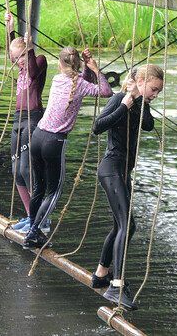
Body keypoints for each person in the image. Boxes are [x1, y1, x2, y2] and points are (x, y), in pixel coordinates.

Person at [23, 47, 113, 249]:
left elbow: (80, 79)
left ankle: (32, 227)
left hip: (37, 135)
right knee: (54, 191)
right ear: (78, 65)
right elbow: (106, 91)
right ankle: (34, 232)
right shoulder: (80, 83)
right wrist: (96, 69)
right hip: (54, 141)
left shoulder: (58, 79)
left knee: (39, 187)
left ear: (60, 63)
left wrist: (86, 67)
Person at [90, 65, 163, 310]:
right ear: (141, 80)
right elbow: (97, 127)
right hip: (111, 169)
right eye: (153, 89)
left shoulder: (141, 103)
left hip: (122, 172)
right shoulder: (120, 99)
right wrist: (126, 104)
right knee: (127, 224)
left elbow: (148, 125)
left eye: (158, 91)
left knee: (120, 226)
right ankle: (116, 286)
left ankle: (101, 273)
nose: (155, 94)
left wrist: (142, 99)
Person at [4, 13, 48, 233]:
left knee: (26, 167)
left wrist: (28, 47)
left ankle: (42, 218)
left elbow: (31, 69)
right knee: (16, 170)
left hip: (33, 118)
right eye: (16, 58)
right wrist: (9, 29)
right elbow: (12, 52)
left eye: (21, 57)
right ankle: (31, 215)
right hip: (17, 119)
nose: (19, 61)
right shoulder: (19, 66)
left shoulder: (38, 62)